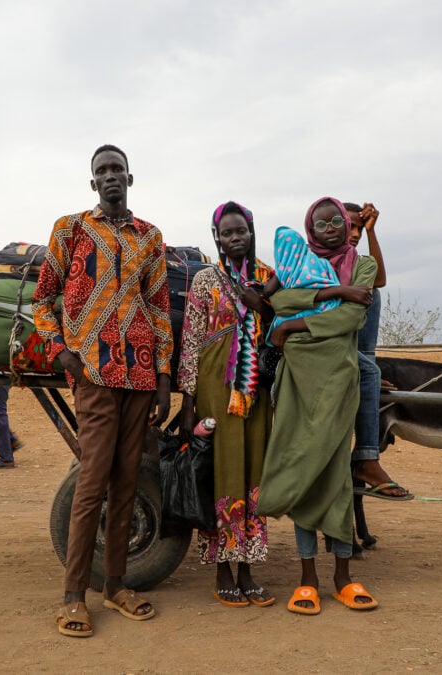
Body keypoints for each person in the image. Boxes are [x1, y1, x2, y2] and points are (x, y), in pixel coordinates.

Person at [33, 144, 172, 638]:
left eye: (117, 169)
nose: (110, 177)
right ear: (93, 183)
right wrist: (61, 352)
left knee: (128, 480)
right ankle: (74, 595)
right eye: (101, 171)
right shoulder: (70, 229)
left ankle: (116, 585)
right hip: (92, 374)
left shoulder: (149, 237)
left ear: (130, 178)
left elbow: (157, 308)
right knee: (92, 481)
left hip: (138, 377)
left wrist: (162, 377)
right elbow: (43, 299)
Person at [258, 198, 380, 616]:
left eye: (336, 221)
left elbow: (351, 319)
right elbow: (278, 302)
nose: (329, 227)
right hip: (297, 376)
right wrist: (332, 294)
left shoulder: (361, 266)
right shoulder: (299, 262)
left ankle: (343, 578)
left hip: (337, 378)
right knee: (303, 465)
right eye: (319, 222)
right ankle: (307, 579)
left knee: (334, 474)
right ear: (309, 228)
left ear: (347, 224)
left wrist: (295, 323)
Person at [176, 201, 276, 608]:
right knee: (220, 471)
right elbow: (191, 341)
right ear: (216, 236)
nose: (236, 238)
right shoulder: (205, 280)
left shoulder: (269, 278)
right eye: (228, 232)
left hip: (255, 388)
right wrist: (188, 402)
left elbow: (277, 325)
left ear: (252, 233)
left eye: (242, 231)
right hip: (215, 386)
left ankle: (248, 568)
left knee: (252, 469)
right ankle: (221, 569)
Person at [335, 201, 410, 500]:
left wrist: (371, 231)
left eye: (358, 227)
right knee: (370, 373)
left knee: (372, 294)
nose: (354, 234)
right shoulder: (314, 261)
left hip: (347, 350)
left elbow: (378, 280)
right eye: (349, 227)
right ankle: (366, 458)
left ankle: (366, 365)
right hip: (317, 345)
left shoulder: (356, 265)